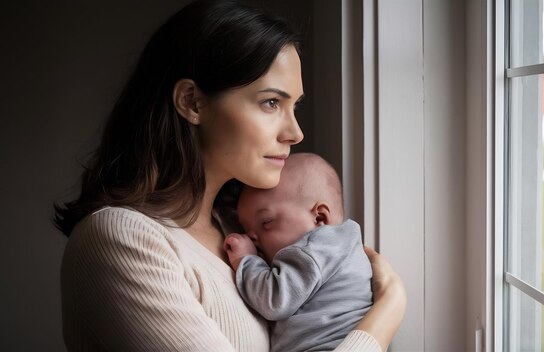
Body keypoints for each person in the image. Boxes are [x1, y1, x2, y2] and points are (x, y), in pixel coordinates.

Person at [54, 1, 406, 351]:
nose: (295, 133)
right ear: (192, 102)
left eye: (293, 106)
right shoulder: (121, 240)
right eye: (271, 103)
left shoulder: (238, 233)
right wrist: (385, 314)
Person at [224, 152, 372, 352]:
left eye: (266, 222)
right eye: (246, 229)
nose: (251, 237)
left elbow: (274, 301)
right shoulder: (339, 247)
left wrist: (246, 259)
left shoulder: (314, 250)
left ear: (319, 218)